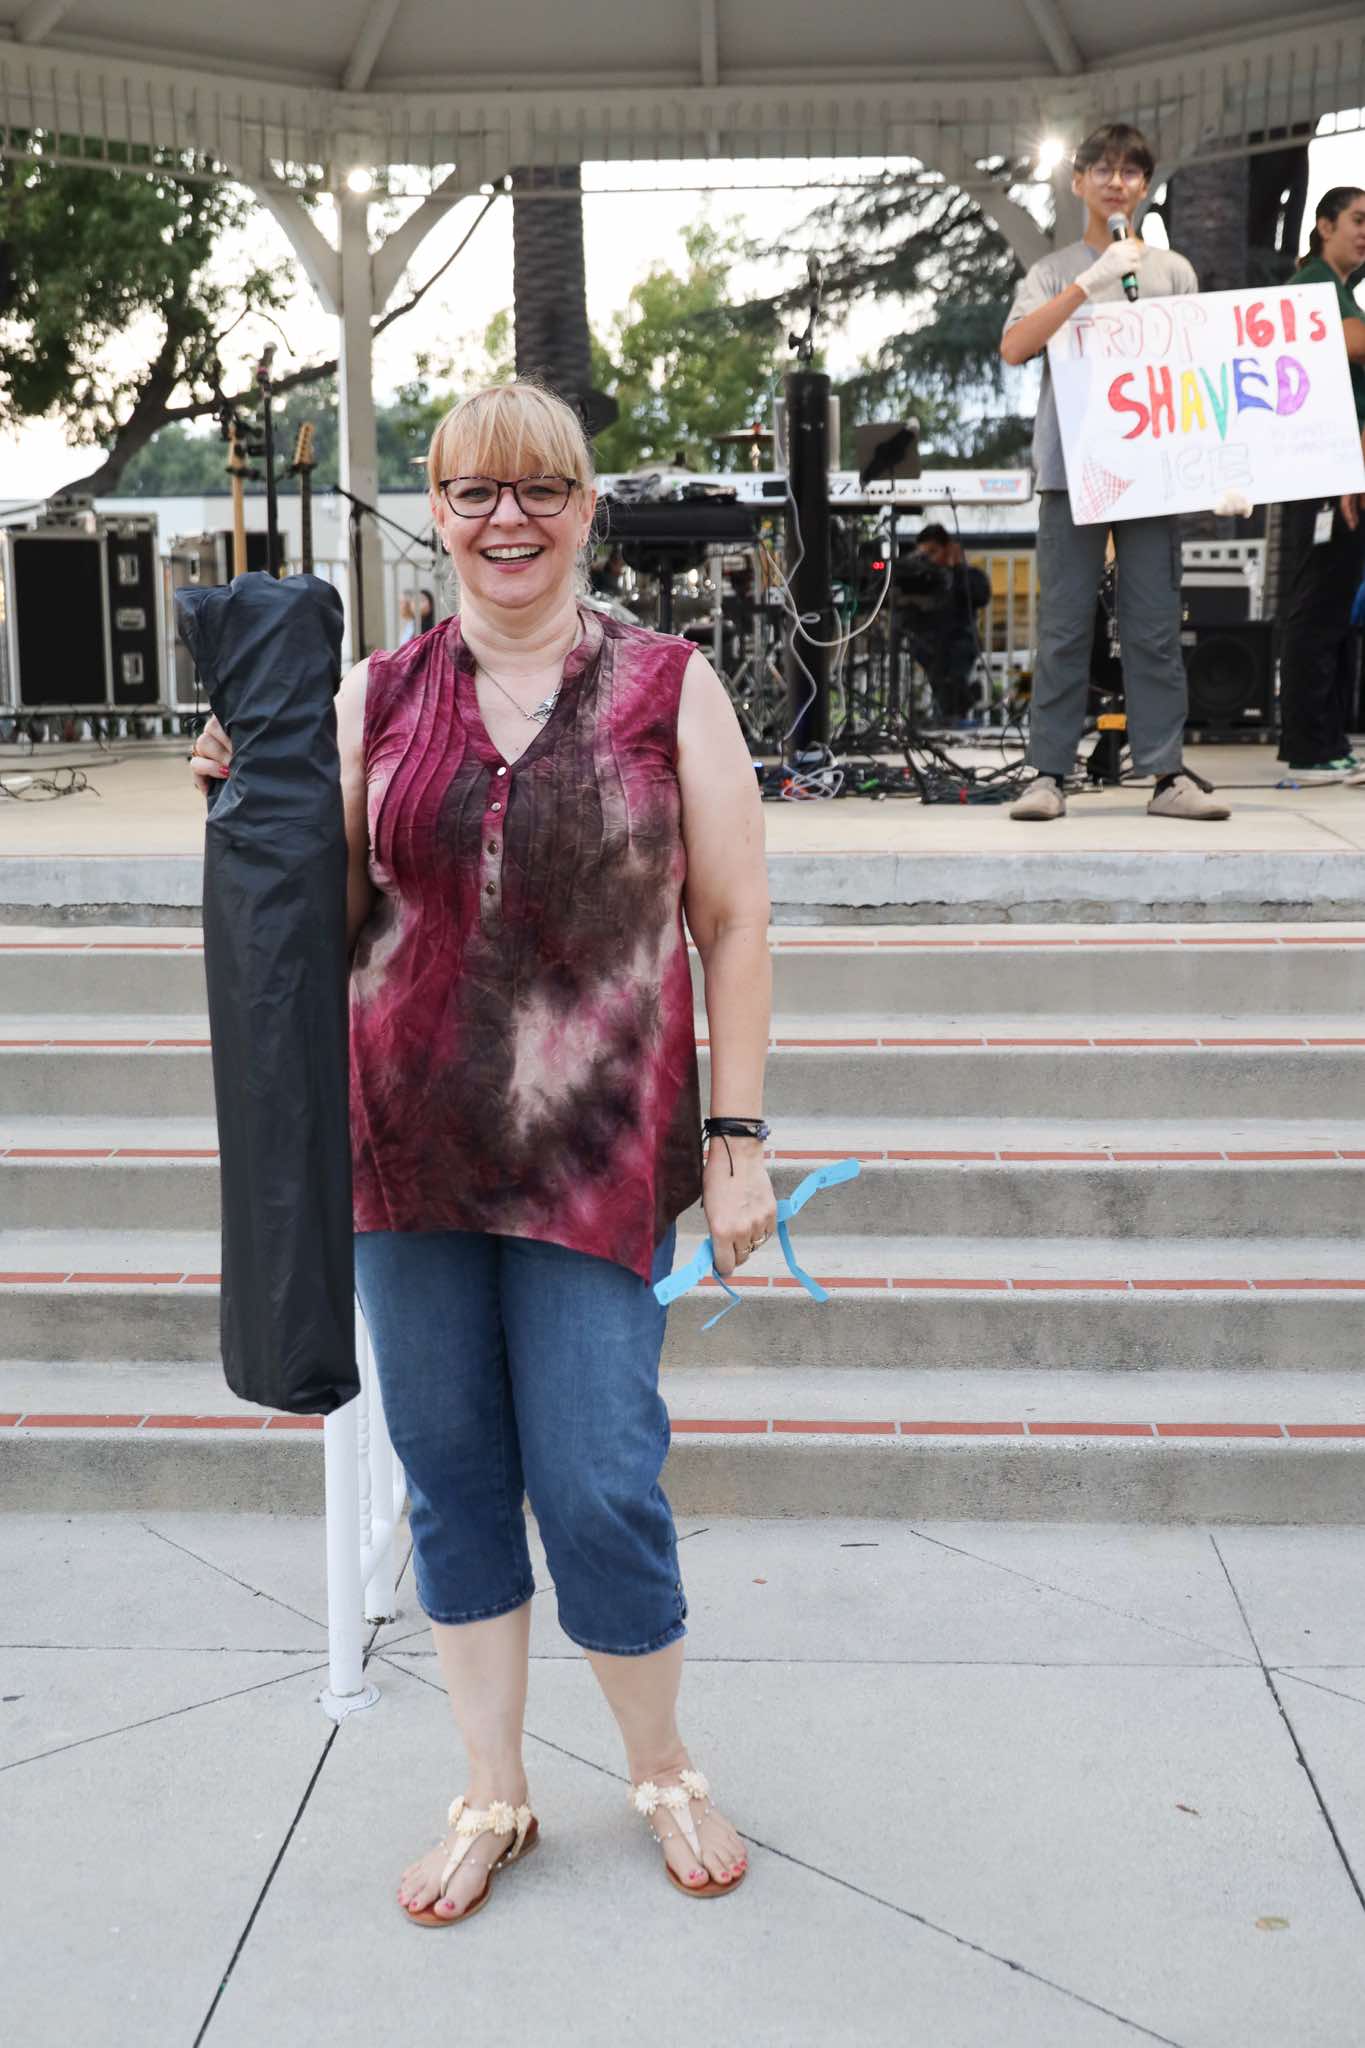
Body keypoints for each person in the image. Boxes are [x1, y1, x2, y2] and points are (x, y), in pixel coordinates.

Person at [190, 380, 773, 1923]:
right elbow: (323, 924)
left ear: (585, 509)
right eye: (473, 492)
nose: (507, 519)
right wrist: (250, 804)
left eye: (541, 490)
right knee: (450, 1478)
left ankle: (660, 1765)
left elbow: (731, 924)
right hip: (408, 1152)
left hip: (596, 1157)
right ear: (436, 512)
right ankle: (492, 1790)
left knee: (598, 1481)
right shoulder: (373, 695)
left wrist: (735, 1141)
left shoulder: (669, 686)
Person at [1000, 122, 1230, 822]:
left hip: (1152, 471)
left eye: (1129, 171)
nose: (1115, 182)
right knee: (1065, 626)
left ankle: (1165, 776)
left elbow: (1196, 374)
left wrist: (1220, 466)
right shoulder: (1051, 271)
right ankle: (1047, 773)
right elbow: (1015, 346)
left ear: (1145, 185)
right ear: (1077, 182)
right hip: (1071, 469)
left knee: (1153, 624)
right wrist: (1085, 286)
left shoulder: (1173, 272)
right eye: (1101, 169)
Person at [1275, 186, 1365, 781]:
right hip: (1325, 470)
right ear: (1325, 225)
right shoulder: (1312, 284)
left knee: (1333, 605)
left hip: (1342, 468)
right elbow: (1356, 343)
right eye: (1357, 219)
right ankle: (1308, 746)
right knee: (1318, 605)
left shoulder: (1341, 290)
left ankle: (1328, 739)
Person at [910, 523, 991, 722]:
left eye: (933, 552)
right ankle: (961, 703)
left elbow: (980, 595)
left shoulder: (966, 575)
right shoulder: (922, 579)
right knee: (943, 686)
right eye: (923, 554)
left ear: (947, 549)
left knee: (953, 681)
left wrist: (957, 567)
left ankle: (960, 703)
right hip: (929, 645)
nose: (928, 559)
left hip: (960, 642)